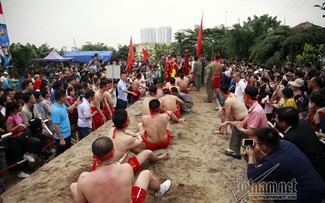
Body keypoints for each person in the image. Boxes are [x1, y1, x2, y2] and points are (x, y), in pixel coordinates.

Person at [70, 137, 171, 203]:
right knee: (146, 174)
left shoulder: (84, 178)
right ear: (113, 152)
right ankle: (159, 190)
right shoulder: (126, 168)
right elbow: (131, 187)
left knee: (74, 186)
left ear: (95, 156)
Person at [246, 127, 325, 203]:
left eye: (257, 142)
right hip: (317, 187)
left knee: (260, 182)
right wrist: (259, 152)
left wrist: (250, 156)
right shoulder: (285, 143)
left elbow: (252, 177)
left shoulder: (273, 162)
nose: (255, 142)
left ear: (264, 146)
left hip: (303, 196)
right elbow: (273, 161)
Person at [274, 107, 325, 181]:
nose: (275, 120)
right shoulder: (303, 122)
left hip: (312, 170)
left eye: (276, 118)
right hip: (320, 161)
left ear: (283, 123)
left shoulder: (290, 138)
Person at [220, 86, 268, 159]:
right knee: (237, 128)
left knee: (238, 129)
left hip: (258, 140)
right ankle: (235, 151)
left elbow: (251, 132)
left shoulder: (256, 111)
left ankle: (240, 151)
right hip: (256, 136)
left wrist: (241, 128)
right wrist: (227, 122)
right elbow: (242, 123)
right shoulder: (254, 107)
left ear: (246, 97)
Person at [5, 101, 41, 178]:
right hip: (15, 139)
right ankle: (20, 171)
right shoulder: (10, 118)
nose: (21, 107)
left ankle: (28, 154)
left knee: (36, 141)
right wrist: (19, 126)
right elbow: (9, 130)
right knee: (18, 155)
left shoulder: (18, 114)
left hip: (23, 136)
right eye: (19, 107)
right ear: (15, 109)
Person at [51, 89, 80, 156]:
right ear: (61, 98)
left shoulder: (62, 105)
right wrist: (61, 139)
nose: (66, 97)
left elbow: (69, 109)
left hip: (67, 133)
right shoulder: (56, 110)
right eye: (65, 96)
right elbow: (55, 126)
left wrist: (76, 103)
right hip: (62, 136)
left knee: (67, 152)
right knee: (61, 154)